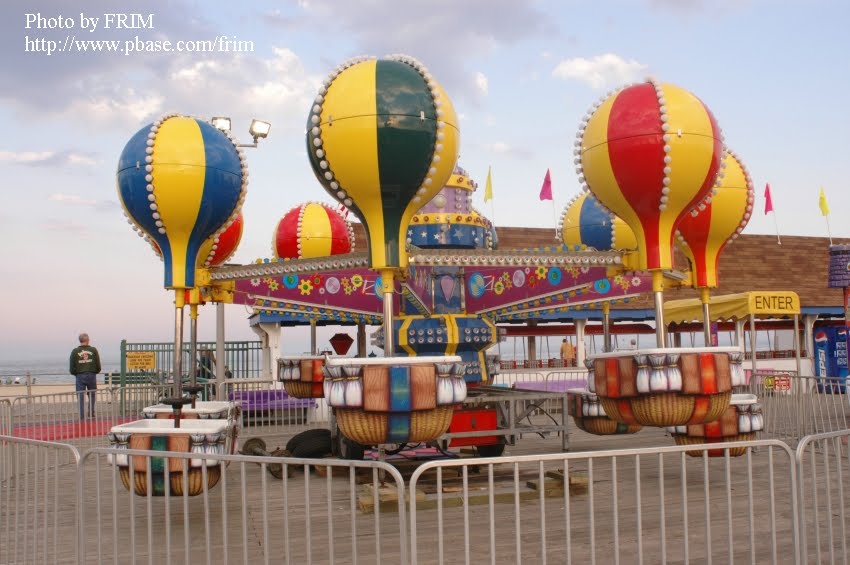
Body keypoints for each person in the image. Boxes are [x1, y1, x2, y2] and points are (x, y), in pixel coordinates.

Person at [70, 332, 100, 419]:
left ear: (80, 341)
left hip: (80, 375)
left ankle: (82, 415)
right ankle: (91, 413)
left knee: (80, 395)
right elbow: (98, 364)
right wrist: (95, 371)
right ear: (88, 340)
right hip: (92, 375)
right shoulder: (93, 350)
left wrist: (76, 373)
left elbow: (72, 367)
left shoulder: (75, 351)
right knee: (92, 394)